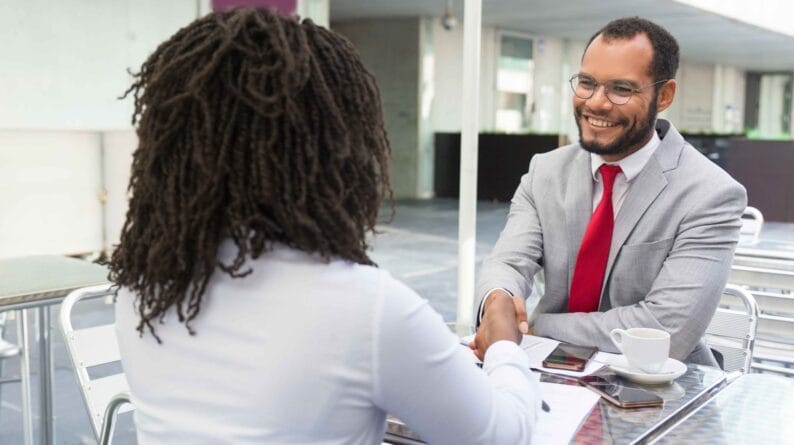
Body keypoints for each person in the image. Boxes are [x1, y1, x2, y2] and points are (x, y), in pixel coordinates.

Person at [108, 8, 539, 445]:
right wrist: (503, 343)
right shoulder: (367, 309)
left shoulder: (142, 288)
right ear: (335, 147)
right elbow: (502, 437)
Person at [474, 17, 746, 367]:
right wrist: (497, 301)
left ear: (663, 96)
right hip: (549, 374)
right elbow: (508, 262)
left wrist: (534, 326)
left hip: (660, 390)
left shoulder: (711, 194)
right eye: (586, 83)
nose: (596, 103)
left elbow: (666, 330)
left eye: (621, 89)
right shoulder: (545, 171)